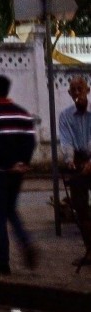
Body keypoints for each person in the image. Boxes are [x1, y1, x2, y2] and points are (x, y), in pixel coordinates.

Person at [0, 74, 37, 275]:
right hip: (17, 172)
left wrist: (7, 164)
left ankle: (2, 262)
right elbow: (30, 142)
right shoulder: (23, 114)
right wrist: (22, 163)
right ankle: (25, 241)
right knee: (11, 209)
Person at [58, 75, 91, 251]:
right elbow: (66, 141)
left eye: (81, 88)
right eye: (74, 90)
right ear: (70, 93)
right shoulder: (65, 116)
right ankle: (89, 250)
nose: (78, 93)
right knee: (80, 208)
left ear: (88, 90)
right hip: (78, 162)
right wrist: (69, 160)